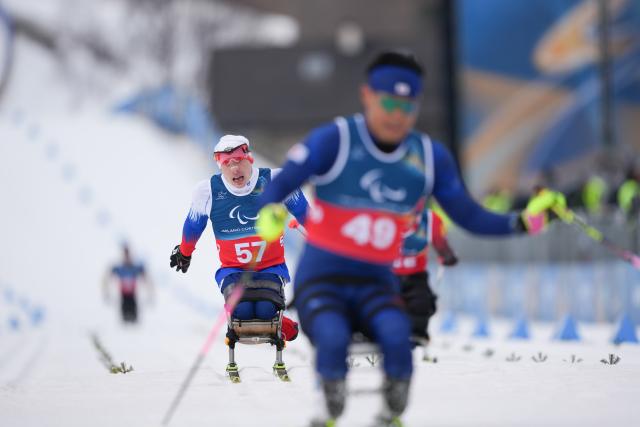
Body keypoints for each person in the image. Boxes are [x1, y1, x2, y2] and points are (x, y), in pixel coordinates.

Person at [254, 50, 563, 427]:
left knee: (399, 338)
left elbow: (469, 215)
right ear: (367, 95)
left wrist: (524, 223)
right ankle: (329, 406)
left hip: (376, 283)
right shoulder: (336, 140)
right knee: (332, 338)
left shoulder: (429, 158)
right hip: (323, 281)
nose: (396, 115)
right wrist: (269, 213)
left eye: (407, 106)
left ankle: (390, 411)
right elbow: (280, 183)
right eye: (388, 103)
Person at [169, 134, 308, 342]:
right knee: (241, 314)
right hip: (233, 270)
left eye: (239, 161)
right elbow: (194, 225)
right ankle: (277, 321)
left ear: (249, 159)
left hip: (270, 267)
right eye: (227, 164)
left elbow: (306, 214)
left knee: (264, 310)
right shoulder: (207, 191)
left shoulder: (275, 180)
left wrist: (328, 243)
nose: (235, 169)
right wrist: (184, 252)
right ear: (220, 166)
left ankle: (281, 321)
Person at [393, 203, 458, 343]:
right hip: (386, 276)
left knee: (421, 302)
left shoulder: (428, 220)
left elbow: (440, 242)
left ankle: (417, 334)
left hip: (415, 276)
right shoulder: (382, 216)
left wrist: (446, 254)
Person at [103, 244, 153, 324]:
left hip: (133, 297)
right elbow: (107, 277)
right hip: (124, 298)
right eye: (125, 255)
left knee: (134, 321)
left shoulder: (135, 268)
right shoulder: (119, 269)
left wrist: (150, 292)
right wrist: (106, 291)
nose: (127, 257)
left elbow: (146, 278)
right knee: (124, 321)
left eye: (128, 255)